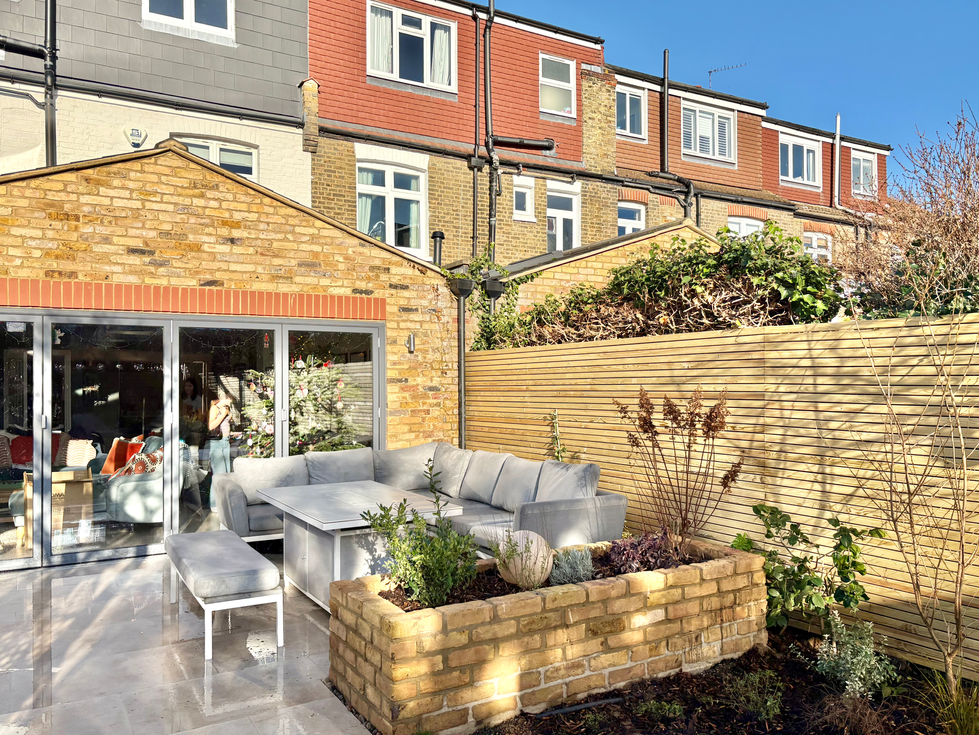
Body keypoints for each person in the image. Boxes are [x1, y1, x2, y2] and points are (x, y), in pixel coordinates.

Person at [206, 388, 237, 504]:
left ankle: (224, 502)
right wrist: (223, 414)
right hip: (217, 443)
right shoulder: (215, 408)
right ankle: (215, 504)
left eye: (230, 401)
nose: (229, 402)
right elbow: (211, 426)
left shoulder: (226, 408)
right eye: (227, 400)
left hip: (225, 441)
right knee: (219, 475)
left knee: (226, 473)